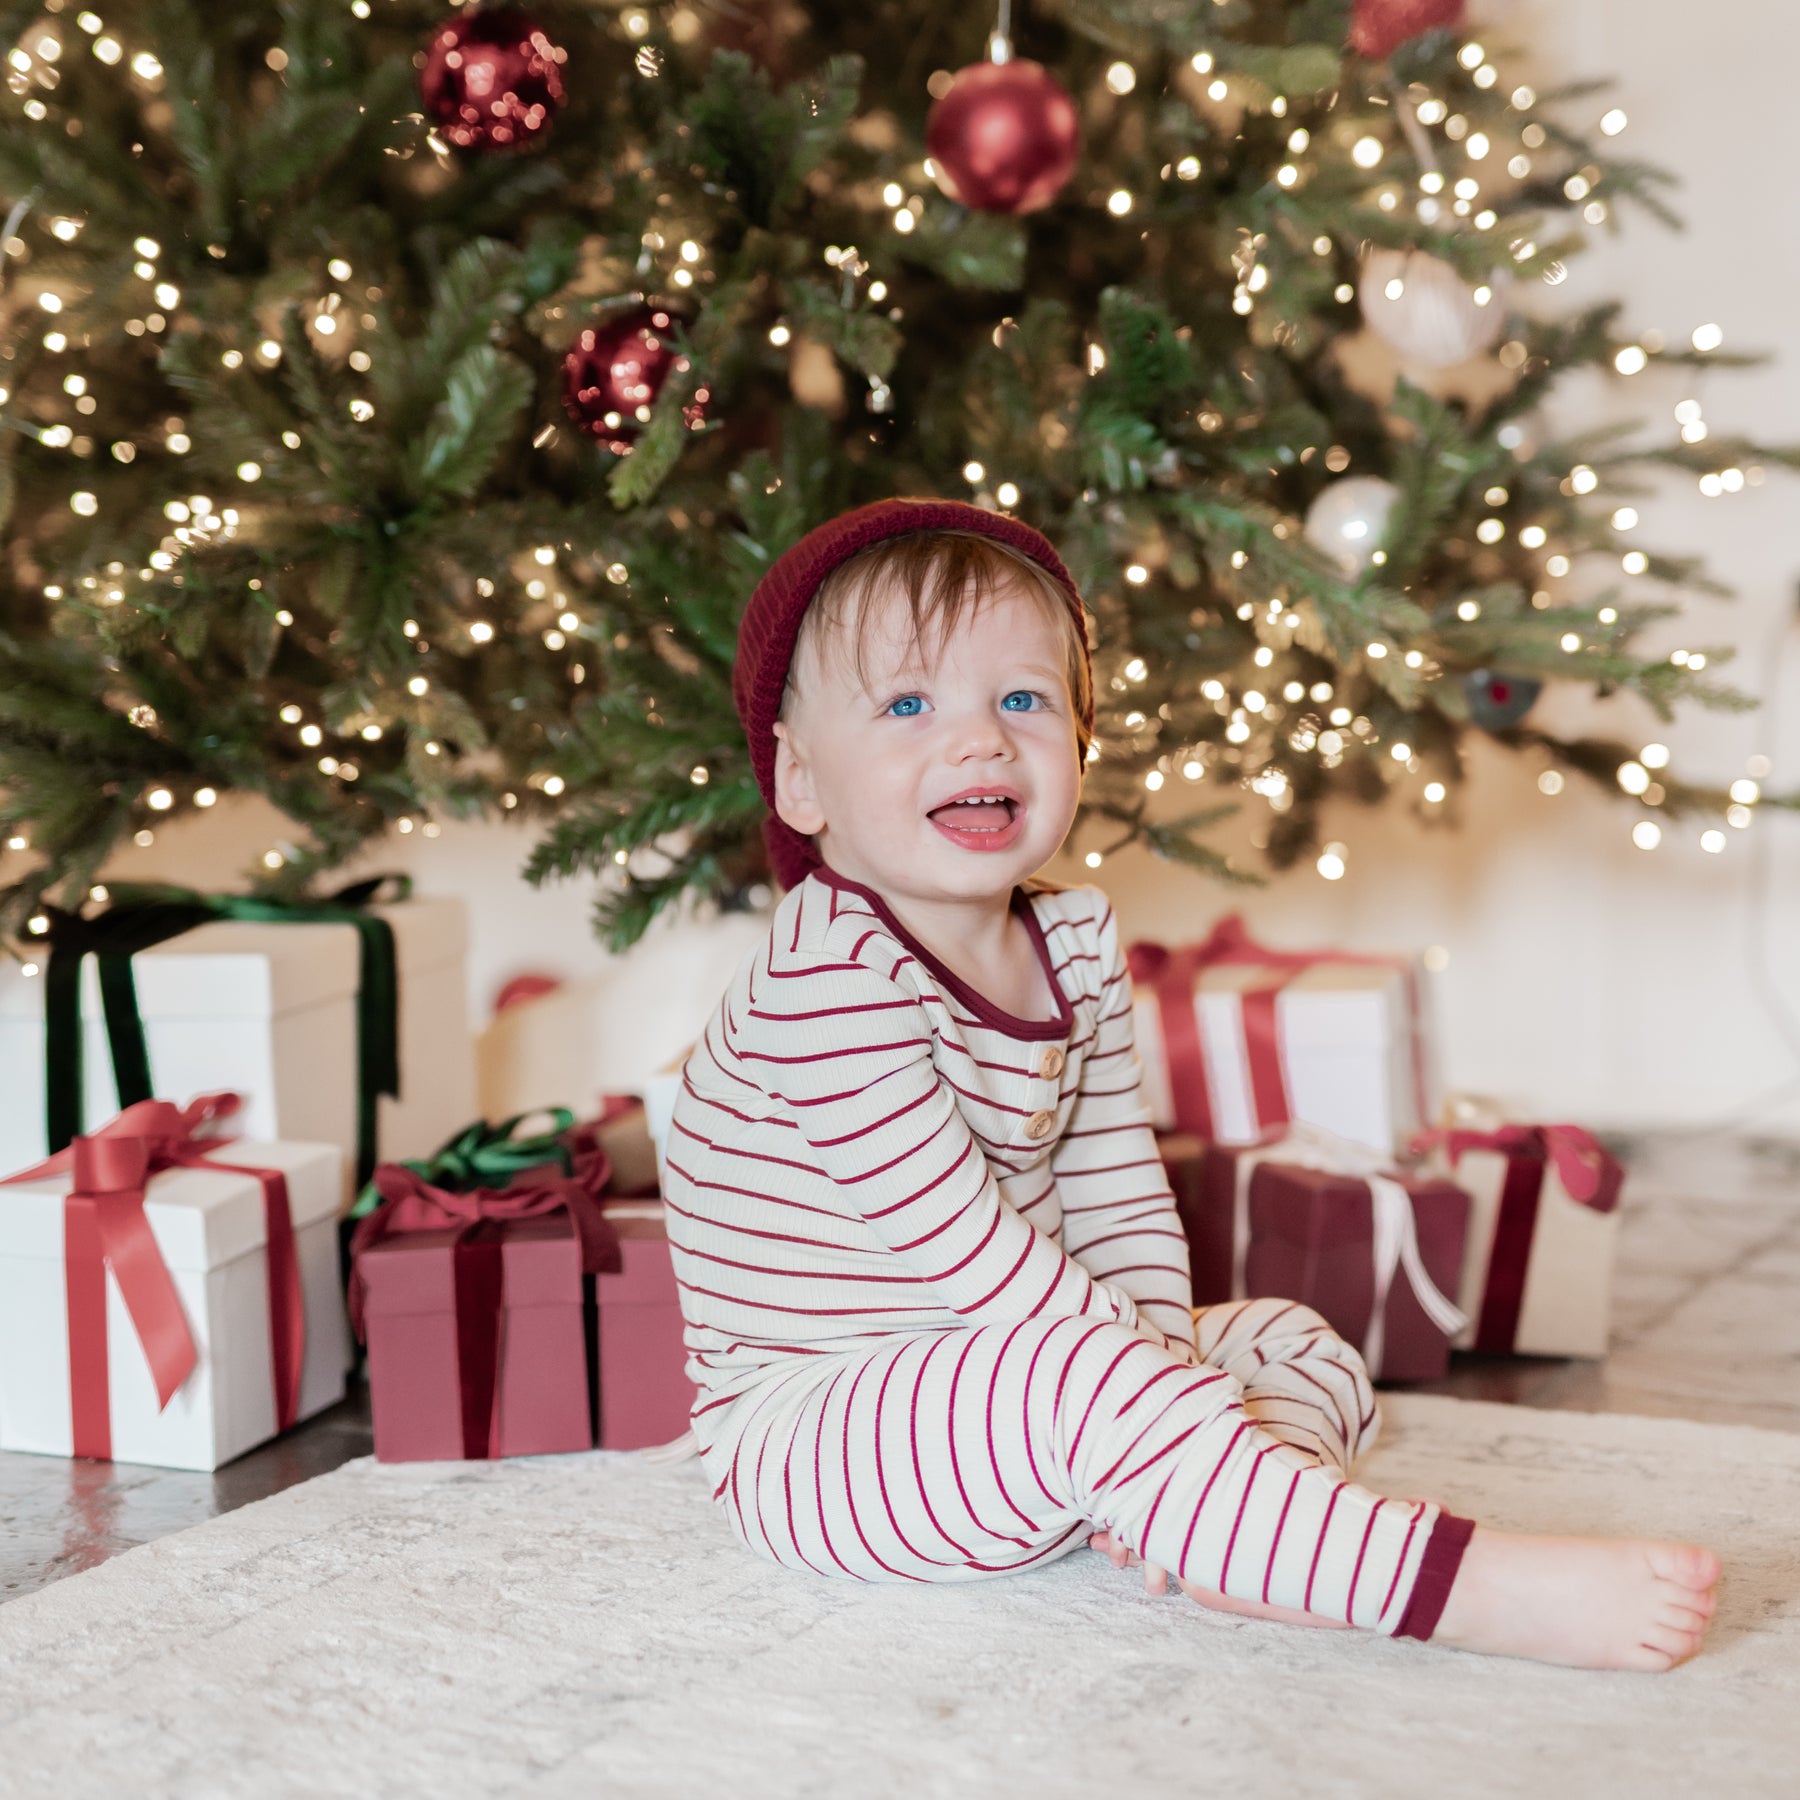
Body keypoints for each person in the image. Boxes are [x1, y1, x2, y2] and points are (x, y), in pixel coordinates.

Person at [662, 496, 1719, 1669]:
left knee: (1298, 1342)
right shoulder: (827, 975)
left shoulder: (1072, 941)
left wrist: (1168, 1353)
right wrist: (1141, 1375)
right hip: (832, 1433)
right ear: (801, 784)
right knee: (1092, 1368)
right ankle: (1458, 1587)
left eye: (1022, 700)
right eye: (909, 706)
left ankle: (1233, 1534)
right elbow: (958, 1251)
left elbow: (1117, 1190)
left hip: (1027, 1373)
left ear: (1078, 736)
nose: (980, 741)